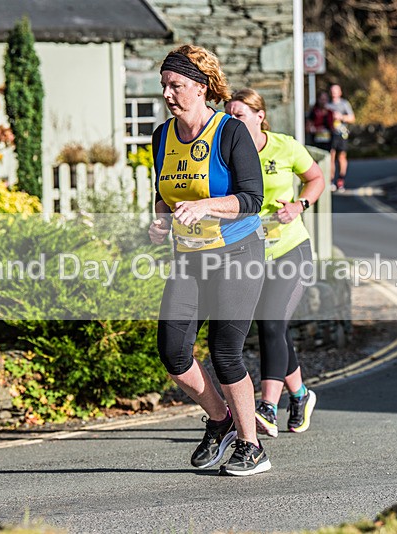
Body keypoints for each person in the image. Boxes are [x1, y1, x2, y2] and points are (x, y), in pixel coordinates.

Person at [148, 45, 270, 476]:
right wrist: (160, 221)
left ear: (200, 88)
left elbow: (253, 200)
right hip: (189, 258)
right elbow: (164, 196)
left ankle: (252, 446)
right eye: (163, 85)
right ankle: (220, 422)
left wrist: (207, 206)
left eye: (176, 85)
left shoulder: (229, 132)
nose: (167, 93)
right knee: (173, 351)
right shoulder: (162, 136)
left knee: (225, 353)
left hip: (237, 253)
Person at [225, 89, 326, 437]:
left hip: (290, 249)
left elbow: (316, 178)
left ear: (259, 116)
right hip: (251, 255)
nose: (232, 120)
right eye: (229, 115)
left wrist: (299, 206)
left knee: (270, 324)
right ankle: (300, 394)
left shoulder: (285, 146)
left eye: (239, 115)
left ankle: (267, 405)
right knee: (274, 328)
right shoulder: (229, 152)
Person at [326, 84, 355, 191]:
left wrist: (341, 117)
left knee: (341, 157)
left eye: (336, 91)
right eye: (332, 91)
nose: (334, 93)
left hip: (342, 134)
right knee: (331, 157)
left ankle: (341, 180)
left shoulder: (344, 104)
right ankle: (331, 180)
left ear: (340, 92)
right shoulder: (327, 105)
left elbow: (352, 118)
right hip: (330, 134)